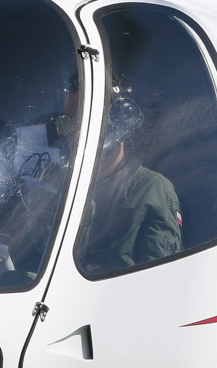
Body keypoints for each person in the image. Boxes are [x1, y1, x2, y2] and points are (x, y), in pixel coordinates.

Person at [76, 87, 184, 276]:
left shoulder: (153, 189)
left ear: (118, 130)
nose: (72, 132)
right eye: (68, 122)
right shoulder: (65, 187)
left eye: (83, 124)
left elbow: (161, 279)